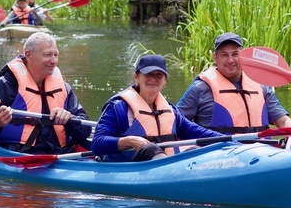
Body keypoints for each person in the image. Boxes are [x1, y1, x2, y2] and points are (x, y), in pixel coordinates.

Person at [0, 32, 92, 154]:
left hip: (61, 155)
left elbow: (86, 129)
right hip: (18, 155)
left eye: (56, 55)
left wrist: (70, 120)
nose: (54, 61)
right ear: (28, 55)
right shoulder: (6, 86)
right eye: (48, 55)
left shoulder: (64, 89)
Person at [91, 54, 223, 162]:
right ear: (136, 77)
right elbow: (97, 143)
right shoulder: (118, 108)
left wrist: (231, 141)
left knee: (194, 150)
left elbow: (198, 132)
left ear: (165, 81)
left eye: (158, 75)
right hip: (128, 168)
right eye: (148, 74)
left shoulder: (171, 111)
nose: (153, 79)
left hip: (166, 167)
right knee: (150, 149)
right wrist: (129, 141)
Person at [177, 33, 291, 134]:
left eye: (235, 54)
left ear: (243, 56)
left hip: (261, 149)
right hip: (219, 154)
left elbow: (283, 120)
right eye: (224, 55)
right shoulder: (200, 88)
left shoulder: (261, 86)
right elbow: (176, 122)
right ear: (215, 57)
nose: (230, 60)